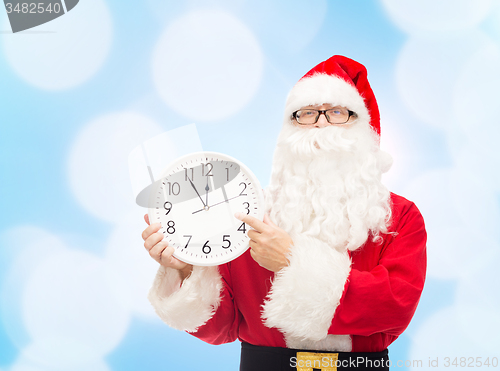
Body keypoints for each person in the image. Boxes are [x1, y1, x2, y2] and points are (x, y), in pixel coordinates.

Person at [142, 55, 426, 370]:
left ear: (363, 127)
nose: (320, 122)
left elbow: (393, 308)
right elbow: (222, 327)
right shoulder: (248, 212)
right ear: (288, 130)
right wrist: (185, 270)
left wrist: (293, 260)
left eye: (336, 112)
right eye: (306, 113)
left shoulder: (401, 216)